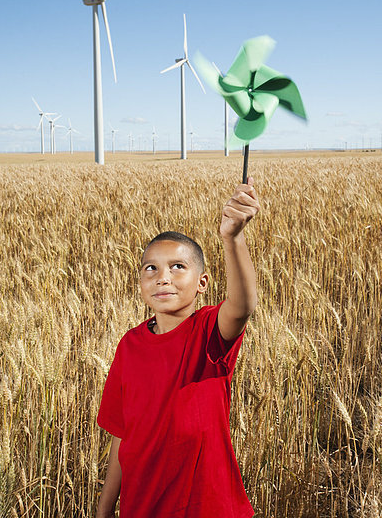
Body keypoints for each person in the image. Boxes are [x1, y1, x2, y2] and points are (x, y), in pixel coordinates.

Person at [96, 176, 260, 517]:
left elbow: (243, 306)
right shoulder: (129, 346)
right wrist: (104, 508)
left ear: (202, 283)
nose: (163, 277)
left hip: (207, 506)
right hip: (142, 506)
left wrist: (234, 238)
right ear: (140, 283)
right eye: (150, 269)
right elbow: (122, 437)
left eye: (178, 267)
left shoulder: (209, 333)